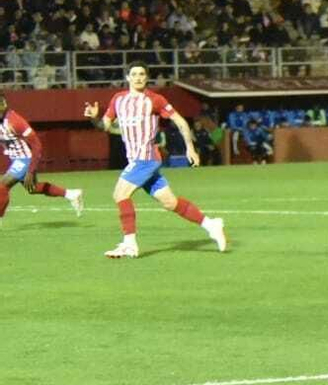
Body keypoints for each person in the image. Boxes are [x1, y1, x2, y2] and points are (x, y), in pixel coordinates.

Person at [83, 64, 227, 259]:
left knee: (120, 194)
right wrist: (94, 118)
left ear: (147, 77)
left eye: (142, 74)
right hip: (136, 159)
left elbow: (180, 121)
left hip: (146, 158)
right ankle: (211, 224)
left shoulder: (154, 100)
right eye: (134, 74)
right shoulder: (118, 100)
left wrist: (190, 148)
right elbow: (104, 127)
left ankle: (129, 244)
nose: (138, 77)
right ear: (127, 77)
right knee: (170, 202)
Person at [0, 93, 84, 226]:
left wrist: (30, 170)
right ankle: (71, 194)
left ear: (3, 104)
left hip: (25, 159)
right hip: (16, 159)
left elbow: (36, 145)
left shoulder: (15, 121)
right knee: (33, 189)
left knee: (2, 186)